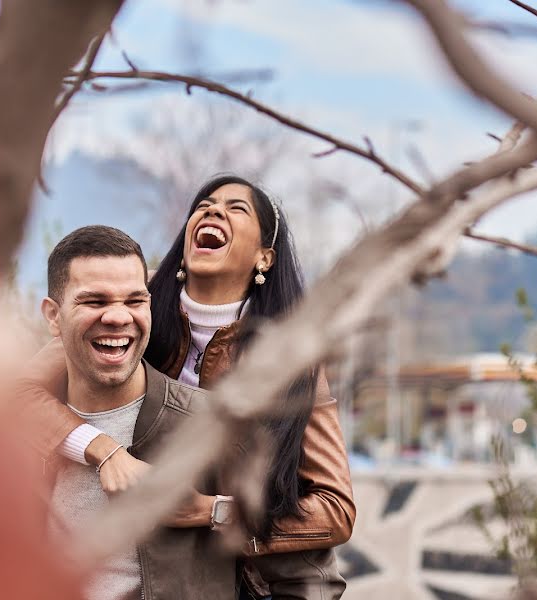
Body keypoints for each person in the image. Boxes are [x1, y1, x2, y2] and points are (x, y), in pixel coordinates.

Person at [19, 175, 355, 599]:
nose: (213, 211)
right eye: (205, 204)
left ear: (264, 258)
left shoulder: (292, 362)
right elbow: (19, 395)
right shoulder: (131, 305)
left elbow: (335, 511)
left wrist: (212, 511)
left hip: (256, 577)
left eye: (237, 208)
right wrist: (106, 452)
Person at [39, 224, 238, 600]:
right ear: (53, 316)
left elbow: (299, 571)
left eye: (134, 301)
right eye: (94, 301)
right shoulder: (15, 434)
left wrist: (213, 511)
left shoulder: (209, 426)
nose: (118, 317)